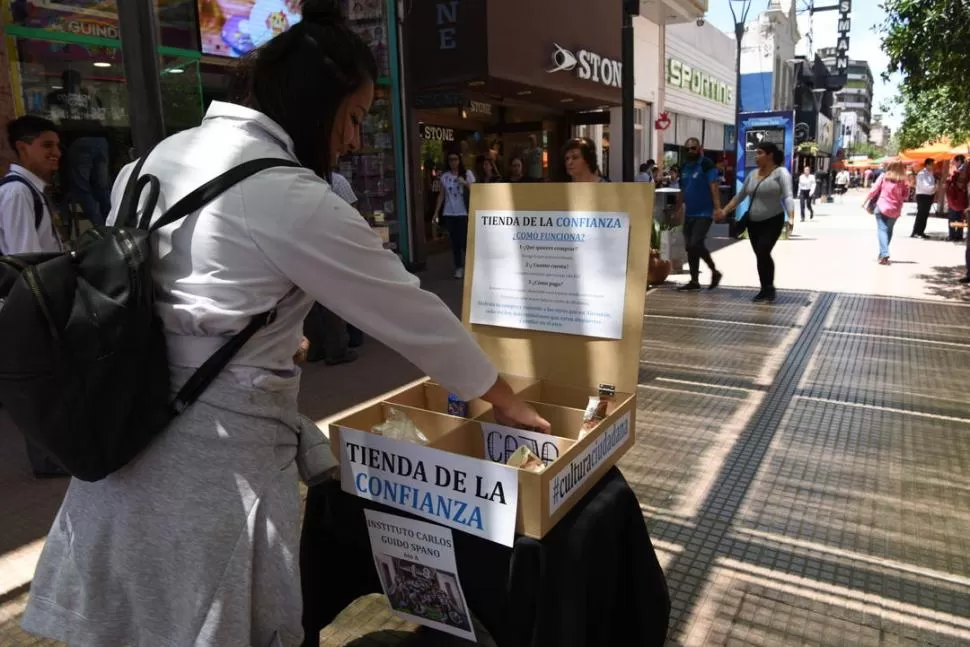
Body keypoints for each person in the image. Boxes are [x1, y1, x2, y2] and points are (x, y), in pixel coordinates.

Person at [20, 7, 549, 647]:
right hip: (213, 458)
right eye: (353, 118)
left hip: (126, 419)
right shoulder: (285, 193)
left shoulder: (161, 155)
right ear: (317, 103)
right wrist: (506, 400)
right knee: (215, 617)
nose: (354, 139)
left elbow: (166, 290)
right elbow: (411, 313)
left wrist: (271, 333)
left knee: (134, 611)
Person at [0, 115, 68, 479]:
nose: (56, 153)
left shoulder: (32, 191)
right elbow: (24, 257)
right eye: (47, 146)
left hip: (37, 299)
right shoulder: (16, 193)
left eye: (57, 146)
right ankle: (47, 459)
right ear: (23, 147)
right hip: (31, 302)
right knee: (39, 385)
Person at [717, 141, 794, 303]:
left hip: (772, 221)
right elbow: (740, 196)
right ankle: (764, 289)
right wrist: (724, 211)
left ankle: (770, 288)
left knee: (763, 250)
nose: (756, 156)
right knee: (760, 255)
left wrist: (791, 216)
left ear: (770, 155)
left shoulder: (781, 173)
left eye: (759, 153)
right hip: (753, 222)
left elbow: (787, 195)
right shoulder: (752, 175)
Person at [48, 69, 112, 227]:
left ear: (63, 81)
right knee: (102, 188)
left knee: (82, 188)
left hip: (78, 141)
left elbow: (54, 119)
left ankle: (101, 227)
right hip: (100, 139)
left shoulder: (54, 97)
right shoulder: (91, 96)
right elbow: (102, 117)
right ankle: (113, 223)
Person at [676, 137, 722, 291]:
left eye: (693, 148)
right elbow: (682, 189)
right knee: (691, 247)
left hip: (704, 212)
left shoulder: (706, 164)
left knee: (694, 243)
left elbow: (713, 186)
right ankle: (694, 281)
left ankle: (714, 270)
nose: (690, 151)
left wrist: (717, 208)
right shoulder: (684, 167)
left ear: (699, 148)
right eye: (687, 149)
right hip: (690, 213)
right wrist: (678, 209)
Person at [434, 150, 475, 279]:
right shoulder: (445, 177)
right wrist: (436, 212)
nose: (453, 162)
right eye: (451, 159)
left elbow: (476, 190)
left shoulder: (467, 173)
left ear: (459, 160)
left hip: (463, 212)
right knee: (454, 242)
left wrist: (465, 183)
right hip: (449, 212)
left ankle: (471, 265)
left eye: (455, 159)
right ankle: (459, 267)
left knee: (463, 240)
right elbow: (441, 195)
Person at [866, 161, 911, 265]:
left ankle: (884, 253)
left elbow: (874, 190)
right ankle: (883, 255)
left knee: (882, 230)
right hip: (895, 209)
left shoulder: (884, 176)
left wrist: (865, 201)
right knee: (888, 230)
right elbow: (906, 196)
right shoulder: (904, 180)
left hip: (882, 206)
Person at [912, 158, 936, 239]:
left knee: (925, 215)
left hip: (929, 195)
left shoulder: (930, 173)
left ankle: (921, 231)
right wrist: (934, 187)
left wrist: (933, 190)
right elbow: (924, 186)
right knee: (921, 214)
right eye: (932, 164)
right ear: (927, 164)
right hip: (922, 196)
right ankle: (916, 232)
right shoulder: (922, 174)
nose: (933, 166)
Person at [945, 156, 968, 242]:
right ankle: (959, 235)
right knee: (960, 217)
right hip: (962, 197)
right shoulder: (965, 169)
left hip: (956, 197)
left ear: (959, 161)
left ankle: (952, 236)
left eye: (955, 161)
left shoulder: (959, 171)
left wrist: (948, 180)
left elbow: (952, 180)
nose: (954, 163)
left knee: (952, 216)